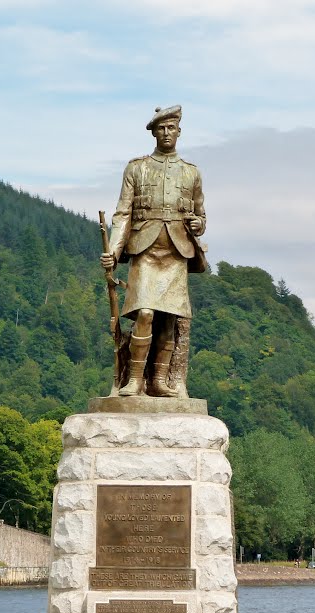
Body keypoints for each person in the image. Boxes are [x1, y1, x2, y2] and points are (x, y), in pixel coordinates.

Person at [100, 105, 207, 397]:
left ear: (179, 131)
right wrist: (114, 250)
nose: (166, 133)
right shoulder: (137, 168)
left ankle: (159, 381)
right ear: (154, 132)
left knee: (168, 319)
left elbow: (201, 216)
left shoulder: (191, 173)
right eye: (161, 128)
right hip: (145, 250)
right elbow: (123, 214)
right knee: (145, 312)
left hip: (176, 251)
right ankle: (134, 379)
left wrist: (198, 224)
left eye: (171, 128)